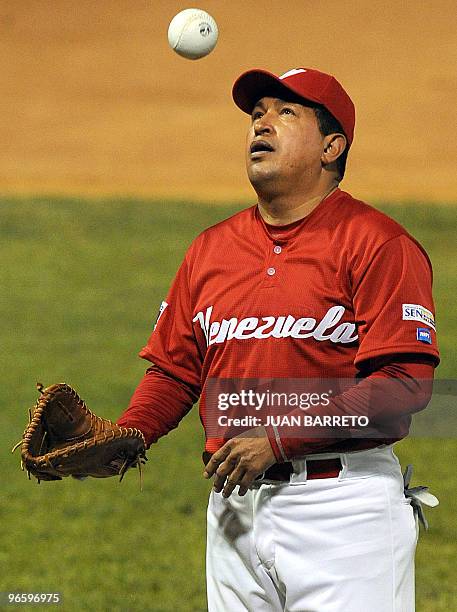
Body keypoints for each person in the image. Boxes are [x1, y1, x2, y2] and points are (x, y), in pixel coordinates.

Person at [117, 67, 439, 611]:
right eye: (256, 114)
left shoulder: (378, 244)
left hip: (345, 512)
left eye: (286, 113)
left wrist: (280, 439)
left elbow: (405, 384)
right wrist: (127, 437)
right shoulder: (211, 249)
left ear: (331, 147)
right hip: (234, 511)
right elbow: (174, 372)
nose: (261, 125)